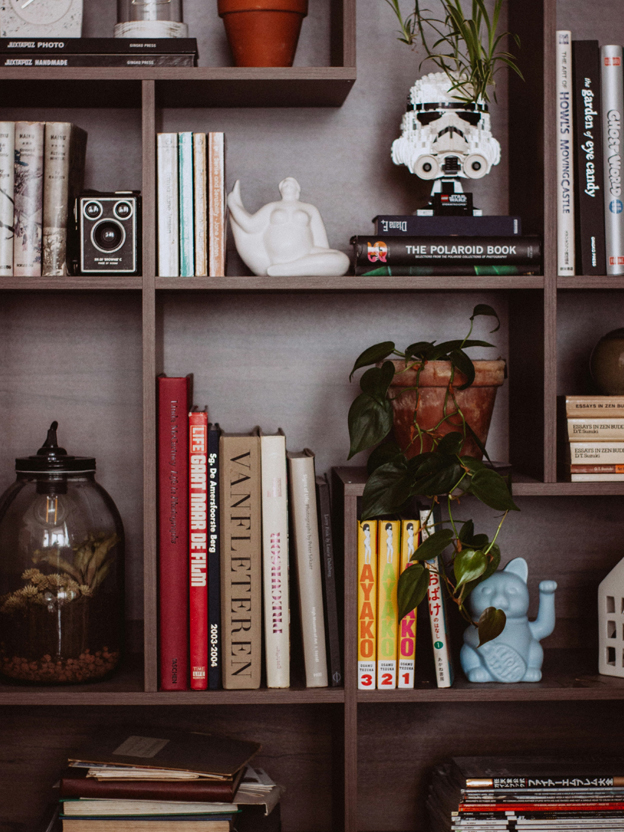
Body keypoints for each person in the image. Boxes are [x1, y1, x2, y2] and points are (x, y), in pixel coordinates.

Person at [227, 177, 350, 276]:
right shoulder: (272, 207)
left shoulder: (310, 209)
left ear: (298, 189)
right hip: (275, 258)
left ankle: (284, 270)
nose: (288, 184)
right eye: (285, 183)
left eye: (291, 183)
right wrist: (233, 204)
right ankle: (279, 269)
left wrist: (327, 257)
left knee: (343, 261)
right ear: (280, 190)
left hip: (305, 257)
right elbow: (250, 226)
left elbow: (322, 244)